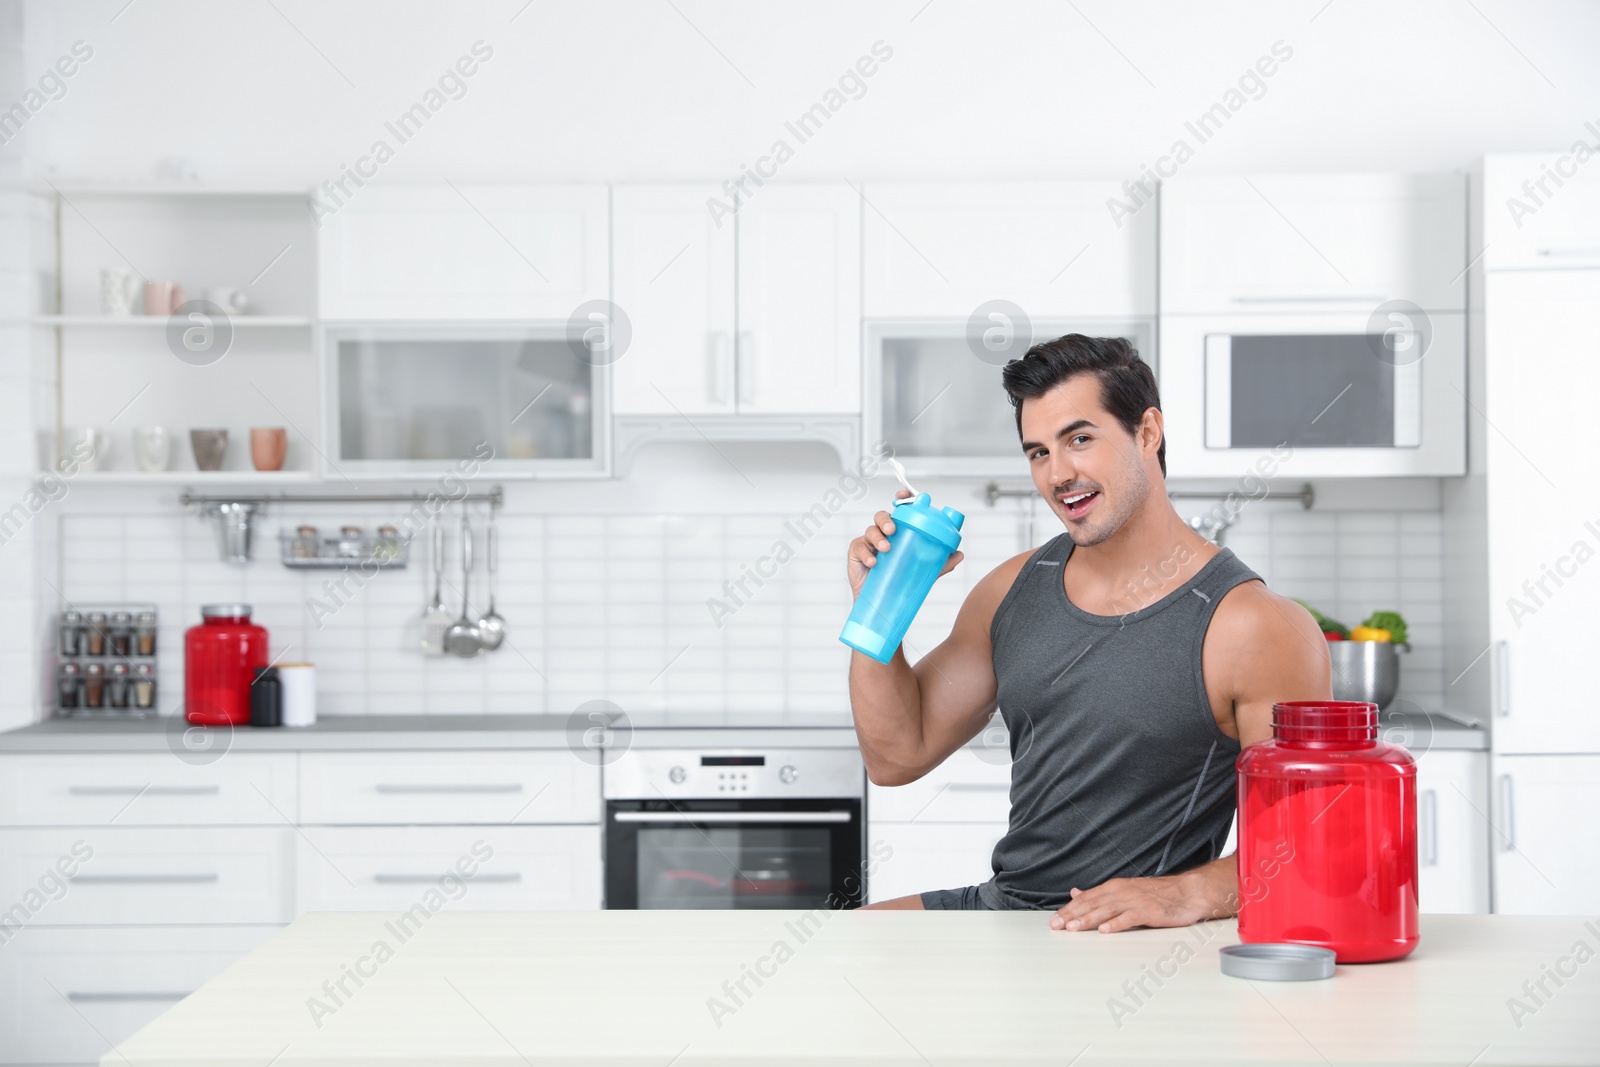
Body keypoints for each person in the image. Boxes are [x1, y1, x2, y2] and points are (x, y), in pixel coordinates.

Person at [847, 334, 1330, 930]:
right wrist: (879, 609)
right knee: (840, 951)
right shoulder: (1010, 590)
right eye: (1038, 453)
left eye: (1079, 439)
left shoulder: (1256, 626)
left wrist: (1184, 896)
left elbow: (1305, 845)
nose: (1059, 473)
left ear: (1147, 432)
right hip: (1008, 909)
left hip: (1121, 938)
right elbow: (896, 757)